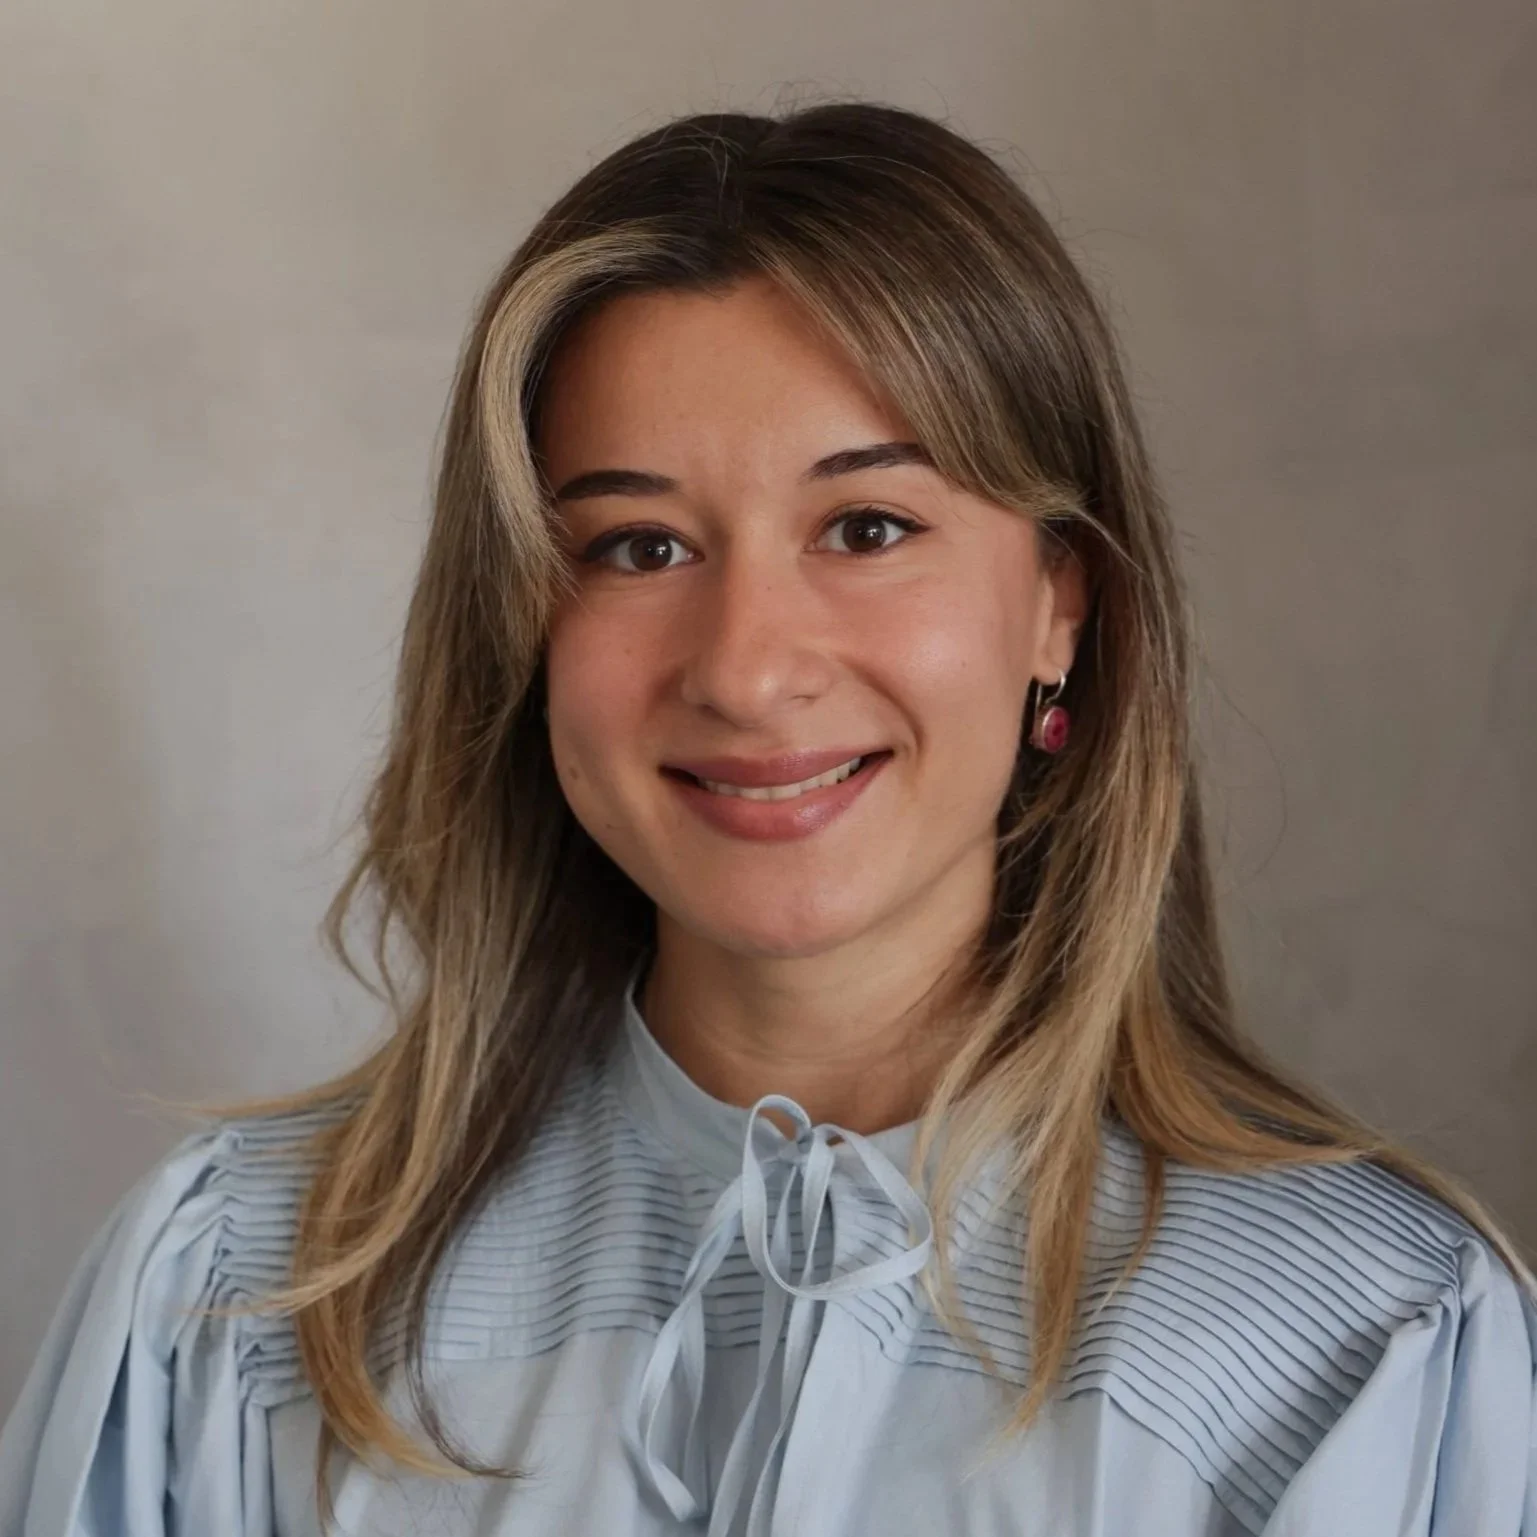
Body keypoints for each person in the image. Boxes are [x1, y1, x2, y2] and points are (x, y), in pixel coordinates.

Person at [1, 99, 1533, 1537]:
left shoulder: (1359, 1347)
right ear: (522, 628)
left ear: (1062, 598)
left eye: (868, 527)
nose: (744, 668)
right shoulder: (242, 1301)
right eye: (637, 545)